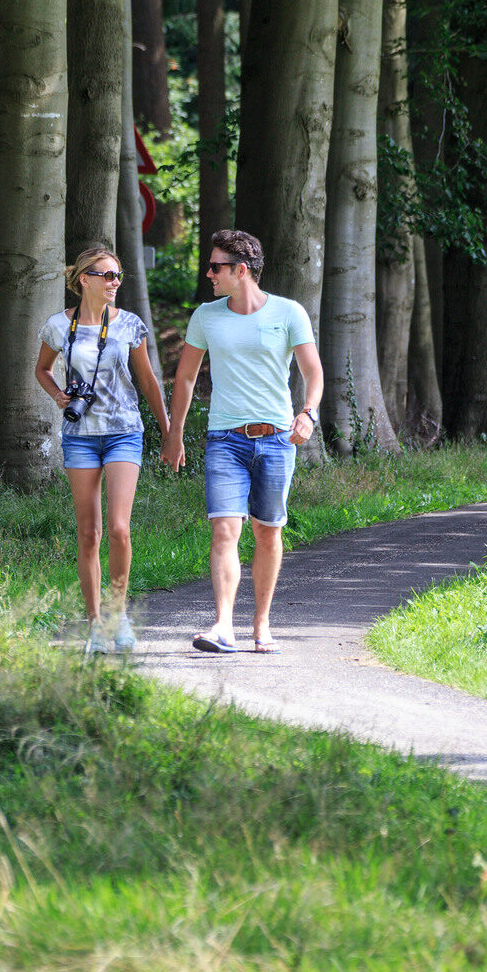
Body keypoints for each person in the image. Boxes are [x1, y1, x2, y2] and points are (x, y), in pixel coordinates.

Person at [161, 229, 323, 654]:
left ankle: (262, 623)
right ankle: (223, 626)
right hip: (225, 440)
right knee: (224, 530)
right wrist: (174, 434)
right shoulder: (206, 316)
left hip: (276, 440)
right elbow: (186, 377)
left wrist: (308, 413)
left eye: (216, 267)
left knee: (267, 533)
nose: (209, 273)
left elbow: (313, 372)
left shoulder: (289, 313)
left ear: (242, 271)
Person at [35, 246, 169, 654]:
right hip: (80, 437)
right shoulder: (59, 326)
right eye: (106, 275)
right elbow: (41, 368)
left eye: (118, 275)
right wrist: (58, 395)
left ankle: (118, 614)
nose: (114, 282)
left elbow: (146, 380)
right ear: (84, 280)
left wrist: (170, 432)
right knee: (89, 533)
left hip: (124, 431)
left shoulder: (129, 324)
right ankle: (95, 626)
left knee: (119, 528)